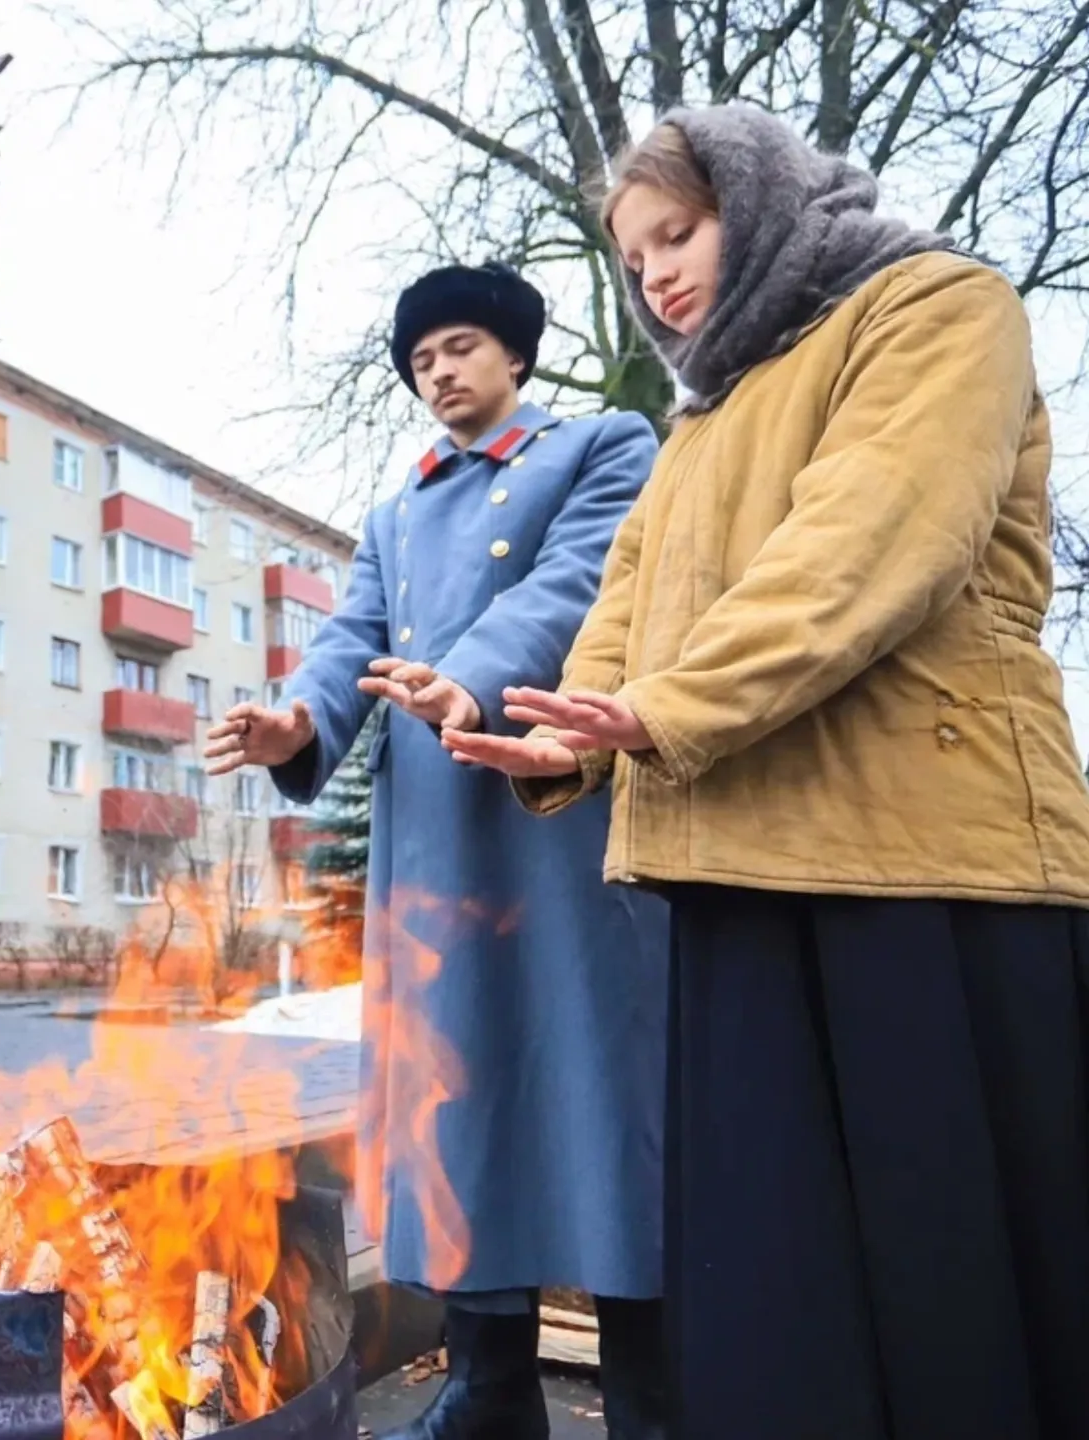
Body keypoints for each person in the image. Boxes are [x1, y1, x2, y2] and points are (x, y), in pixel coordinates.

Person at [443, 104, 1089, 1440]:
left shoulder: (938, 308)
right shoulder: (695, 428)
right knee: (779, 1299)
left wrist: (661, 709)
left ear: (763, 196)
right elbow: (621, 611)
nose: (658, 274)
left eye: (678, 232)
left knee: (954, 1290)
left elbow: (865, 549)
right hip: (730, 873)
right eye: (633, 261)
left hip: (931, 872)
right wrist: (572, 727)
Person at [208, 262, 669, 1439]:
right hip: (435, 856)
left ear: (513, 354)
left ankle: (657, 1398)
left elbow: (582, 585)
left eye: (459, 347)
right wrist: (297, 720)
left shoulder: (602, 446)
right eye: (420, 363)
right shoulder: (398, 513)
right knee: (456, 1111)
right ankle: (490, 1393)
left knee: (591, 1099)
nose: (439, 374)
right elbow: (352, 637)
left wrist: (466, 678)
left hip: (553, 822)